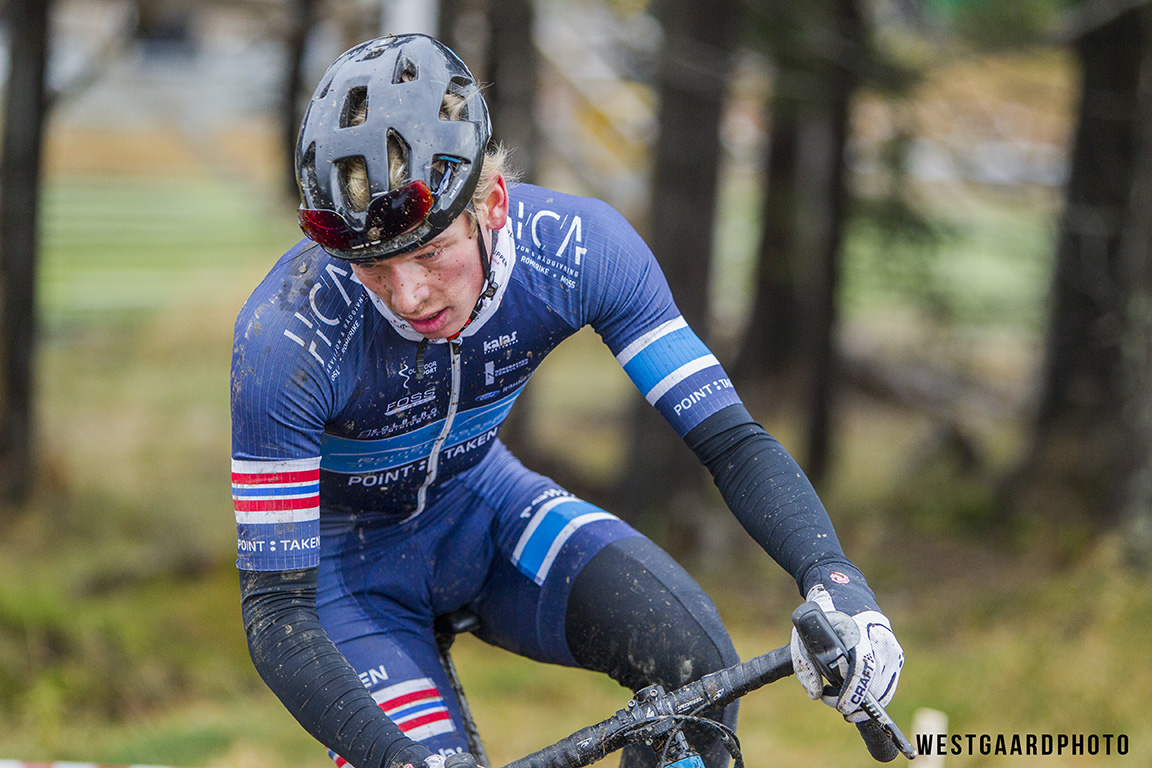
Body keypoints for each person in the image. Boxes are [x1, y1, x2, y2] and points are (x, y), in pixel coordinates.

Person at [231, 33, 903, 768]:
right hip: (342, 575)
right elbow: (277, 610)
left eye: (428, 252)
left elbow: (731, 441)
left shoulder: (580, 249)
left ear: (492, 203)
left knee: (696, 671)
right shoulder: (286, 337)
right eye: (373, 267)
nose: (408, 295)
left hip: (482, 509)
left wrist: (837, 581)